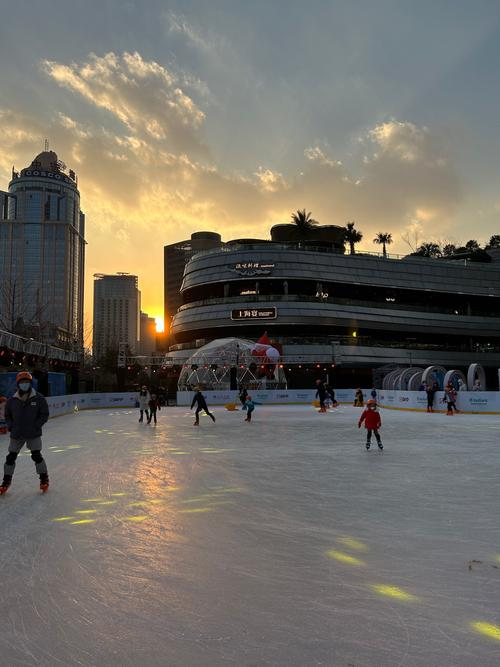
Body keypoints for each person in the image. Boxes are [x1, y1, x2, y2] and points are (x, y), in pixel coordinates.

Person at [0, 371, 50, 494]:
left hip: (33, 433)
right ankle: (6, 481)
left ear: (31, 383)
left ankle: (44, 479)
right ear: (18, 384)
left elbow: (44, 414)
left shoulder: (39, 398)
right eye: (22, 382)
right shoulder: (12, 400)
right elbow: (7, 415)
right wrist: (11, 426)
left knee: (36, 456)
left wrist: (36, 425)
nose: (24, 384)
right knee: (10, 458)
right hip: (17, 434)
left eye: (27, 382)